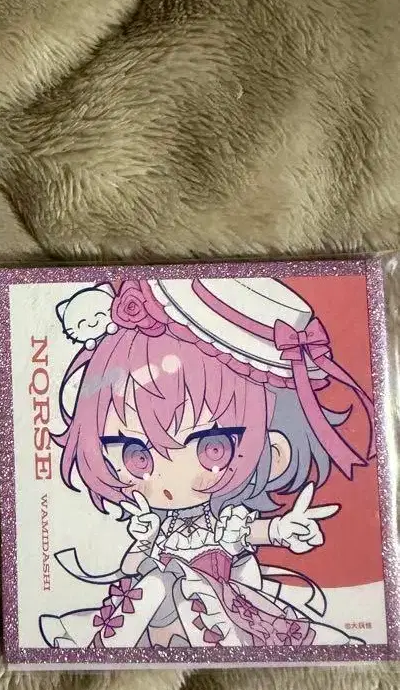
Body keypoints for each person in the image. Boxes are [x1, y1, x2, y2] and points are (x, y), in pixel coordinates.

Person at [41, 277, 374, 649]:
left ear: (273, 448)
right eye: (137, 456)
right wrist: (145, 539)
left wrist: (280, 530)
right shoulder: (158, 525)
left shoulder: (225, 521)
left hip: (225, 605)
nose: (169, 479)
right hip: (161, 615)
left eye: (211, 449)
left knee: (184, 594)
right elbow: (131, 567)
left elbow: (247, 534)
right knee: (155, 586)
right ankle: (100, 646)